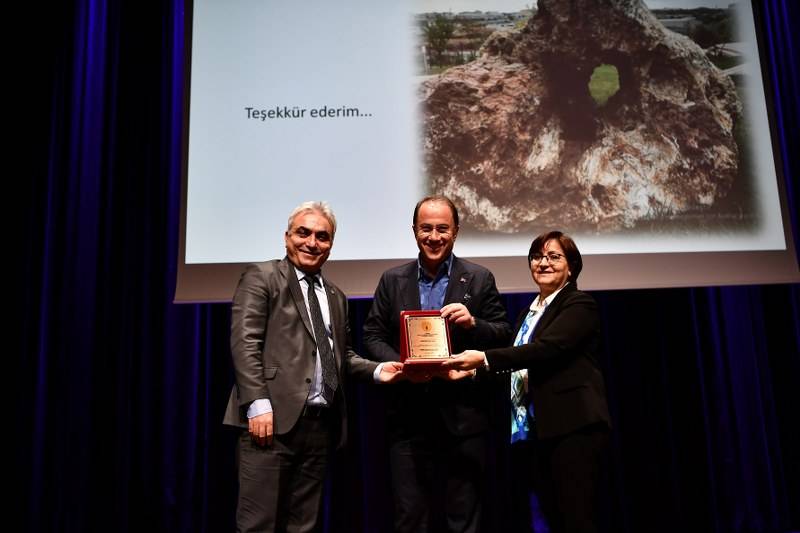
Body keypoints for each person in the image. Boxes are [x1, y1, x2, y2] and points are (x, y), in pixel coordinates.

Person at [223, 201, 404, 533]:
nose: (312, 243)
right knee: (258, 526)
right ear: (287, 237)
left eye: (322, 236)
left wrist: (379, 371)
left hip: (320, 427)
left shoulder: (335, 295)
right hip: (270, 421)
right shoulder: (262, 276)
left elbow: (342, 356)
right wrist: (257, 403)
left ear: (331, 244)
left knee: (303, 526)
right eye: (303, 233)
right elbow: (245, 343)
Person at [443, 230, 612, 533]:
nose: (543, 263)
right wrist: (472, 372)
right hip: (534, 431)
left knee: (577, 518)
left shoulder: (579, 304)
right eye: (537, 257)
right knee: (550, 516)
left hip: (572, 428)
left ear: (571, 267)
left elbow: (547, 349)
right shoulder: (528, 312)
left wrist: (482, 358)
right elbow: (517, 368)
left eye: (553, 257)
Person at [363, 195, 512, 533]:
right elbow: (372, 336)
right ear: (414, 230)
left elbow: (503, 333)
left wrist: (473, 323)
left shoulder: (479, 278)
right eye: (426, 228)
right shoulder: (392, 279)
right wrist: (404, 365)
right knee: (410, 518)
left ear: (455, 231)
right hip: (408, 419)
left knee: (464, 518)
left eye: (442, 229)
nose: (434, 237)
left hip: (464, 418)